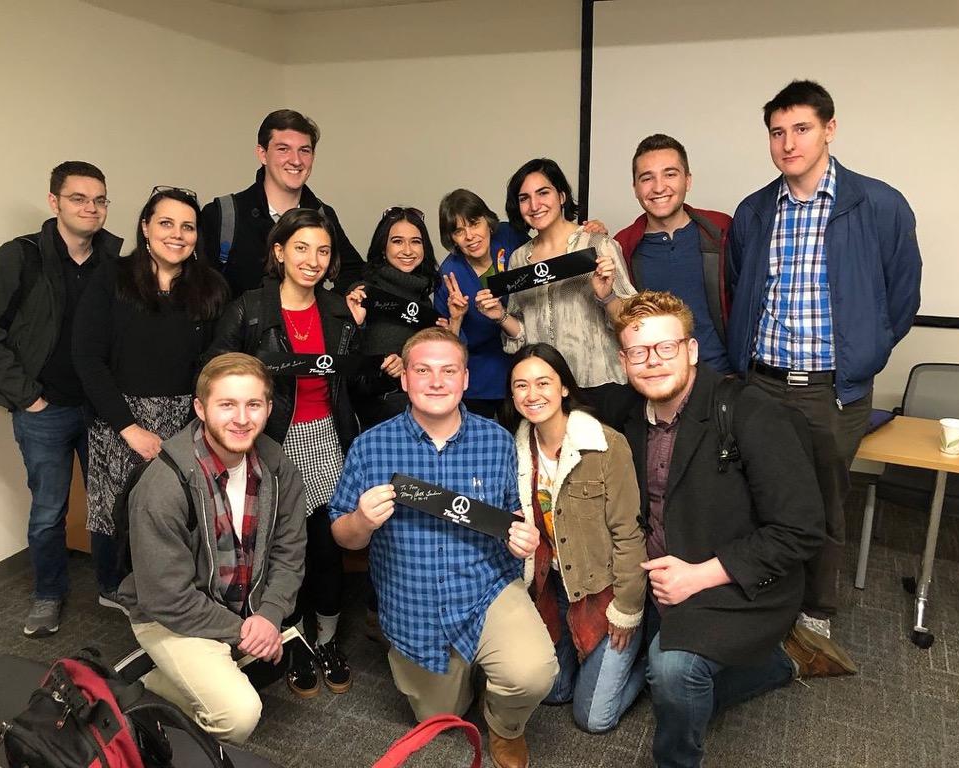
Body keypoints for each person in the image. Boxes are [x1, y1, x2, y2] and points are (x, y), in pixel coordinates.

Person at [727, 80, 923, 644]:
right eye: (777, 132)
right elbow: (742, 287)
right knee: (757, 495)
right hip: (762, 383)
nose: (788, 143)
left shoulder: (877, 205)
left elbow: (901, 297)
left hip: (829, 391)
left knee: (824, 502)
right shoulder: (756, 210)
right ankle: (764, 601)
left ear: (829, 129)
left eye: (802, 129)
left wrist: (867, 354)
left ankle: (816, 612)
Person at [328, 327, 557, 768]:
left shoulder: (495, 440)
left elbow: (511, 515)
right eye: (423, 370)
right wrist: (361, 521)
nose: (436, 382)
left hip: (485, 589)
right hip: (412, 601)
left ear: (466, 379)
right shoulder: (370, 447)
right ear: (405, 379)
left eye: (448, 371)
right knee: (442, 718)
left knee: (531, 675)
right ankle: (468, 674)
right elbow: (342, 534)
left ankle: (505, 726)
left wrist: (521, 536)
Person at [617, 290, 826, 768]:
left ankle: (678, 760)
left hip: (733, 580)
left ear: (691, 350)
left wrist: (701, 575)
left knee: (670, 671)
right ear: (624, 360)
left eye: (665, 348)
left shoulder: (751, 413)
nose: (652, 362)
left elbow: (801, 530)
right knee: (615, 691)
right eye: (638, 352)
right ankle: (776, 661)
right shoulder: (629, 418)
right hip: (661, 581)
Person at [206, 208, 384, 698]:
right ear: (279, 252)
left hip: (327, 439)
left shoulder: (339, 311)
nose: (313, 260)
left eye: (323, 251)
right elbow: (216, 371)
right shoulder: (250, 308)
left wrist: (380, 365)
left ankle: (325, 639)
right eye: (301, 248)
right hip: (270, 443)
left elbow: (352, 382)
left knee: (325, 545)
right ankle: (291, 636)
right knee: (278, 550)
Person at [0, 161, 123, 638]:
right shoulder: (19, 257)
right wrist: (26, 396)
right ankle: (48, 594)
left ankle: (112, 585)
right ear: (54, 202)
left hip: (99, 408)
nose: (91, 208)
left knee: (107, 502)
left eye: (99, 200)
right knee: (50, 508)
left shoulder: (114, 262)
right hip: (43, 411)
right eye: (79, 198)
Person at [118, 353, 307, 745]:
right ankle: (145, 686)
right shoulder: (163, 487)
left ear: (269, 408)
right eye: (227, 404)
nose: (241, 418)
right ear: (200, 408)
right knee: (240, 716)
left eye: (253, 404)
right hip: (169, 615)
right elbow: (166, 598)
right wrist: (249, 632)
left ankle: (168, 676)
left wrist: (270, 616)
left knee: (280, 652)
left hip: (238, 604)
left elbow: (290, 551)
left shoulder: (276, 465)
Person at [73, 187, 228, 595]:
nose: (177, 234)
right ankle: (114, 591)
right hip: (118, 417)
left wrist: (201, 422)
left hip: (186, 419)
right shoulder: (112, 277)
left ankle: (171, 592)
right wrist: (128, 427)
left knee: (175, 513)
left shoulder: (211, 288)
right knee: (115, 515)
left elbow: (215, 363)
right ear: (145, 227)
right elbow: (87, 357)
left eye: (188, 226)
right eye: (165, 223)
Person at [504, 343, 646, 734]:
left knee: (594, 718)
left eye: (543, 382)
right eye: (521, 386)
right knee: (553, 691)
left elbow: (629, 534)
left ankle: (651, 660)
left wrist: (628, 608)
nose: (532, 395)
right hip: (553, 592)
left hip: (605, 592)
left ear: (564, 387)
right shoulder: (513, 451)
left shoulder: (606, 444)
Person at [474, 158, 635, 430]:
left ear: (561, 196)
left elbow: (631, 322)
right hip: (547, 394)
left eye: (543, 193)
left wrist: (607, 297)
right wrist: (500, 316)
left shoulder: (598, 245)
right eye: (524, 198)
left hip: (600, 386)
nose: (535, 205)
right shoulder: (519, 259)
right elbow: (522, 335)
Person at [200, 109, 365, 298]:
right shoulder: (223, 215)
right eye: (283, 149)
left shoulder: (322, 215)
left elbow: (355, 273)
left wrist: (325, 310)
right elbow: (199, 286)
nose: (296, 160)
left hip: (305, 328)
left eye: (304, 150)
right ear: (262, 154)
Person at [613, 134, 733, 373]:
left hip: (725, 377)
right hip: (658, 378)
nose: (659, 187)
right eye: (647, 178)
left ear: (687, 181)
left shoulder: (722, 230)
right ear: (635, 187)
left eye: (670, 174)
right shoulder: (622, 246)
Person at [435, 189, 529, 419]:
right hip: (480, 380)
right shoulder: (450, 275)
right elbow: (448, 347)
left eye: (474, 223)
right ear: (452, 239)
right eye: (459, 231)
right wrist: (456, 317)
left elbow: (548, 248)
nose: (470, 236)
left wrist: (584, 232)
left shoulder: (509, 236)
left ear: (488, 221)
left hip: (526, 366)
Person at [346, 206, 436, 429]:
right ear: (382, 247)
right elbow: (347, 369)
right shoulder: (363, 294)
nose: (407, 250)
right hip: (377, 416)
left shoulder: (425, 299)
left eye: (415, 241)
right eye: (397, 241)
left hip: (424, 410)